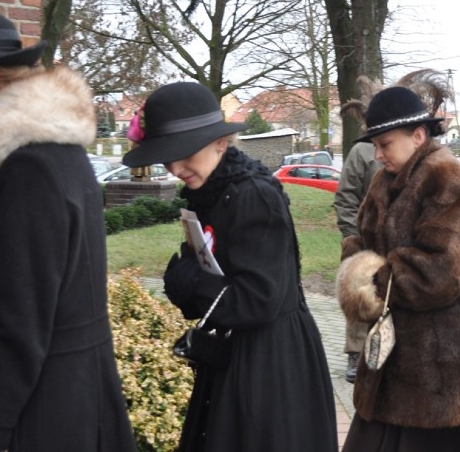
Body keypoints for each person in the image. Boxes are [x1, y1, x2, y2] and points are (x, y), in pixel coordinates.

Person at [0, 8, 136, 451]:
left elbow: (16, 330)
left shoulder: (29, 171)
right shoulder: (58, 157)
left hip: (41, 413)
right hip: (68, 396)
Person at [122, 81, 338, 452]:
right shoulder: (212, 192)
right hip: (232, 354)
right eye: (166, 156)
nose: (174, 166)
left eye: (184, 152)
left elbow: (257, 299)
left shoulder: (253, 195)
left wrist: (186, 280)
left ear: (221, 143)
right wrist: (189, 282)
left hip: (270, 363)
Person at [337, 77, 460, 451]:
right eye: (375, 146)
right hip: (398, 362)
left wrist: (368, 276)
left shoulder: (448, 178)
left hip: (443, 368)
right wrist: (357, 261)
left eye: (384, 144)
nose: (378, 154)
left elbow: (439, 273)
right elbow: (363, 240)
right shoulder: (385, 180)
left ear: (418, 135)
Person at [333, 140, 382, 383]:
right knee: (359, 295)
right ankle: (355, 353)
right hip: (364, 238)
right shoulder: (361, 151)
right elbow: (346, 195)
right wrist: (352, 235)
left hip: (395, 240)